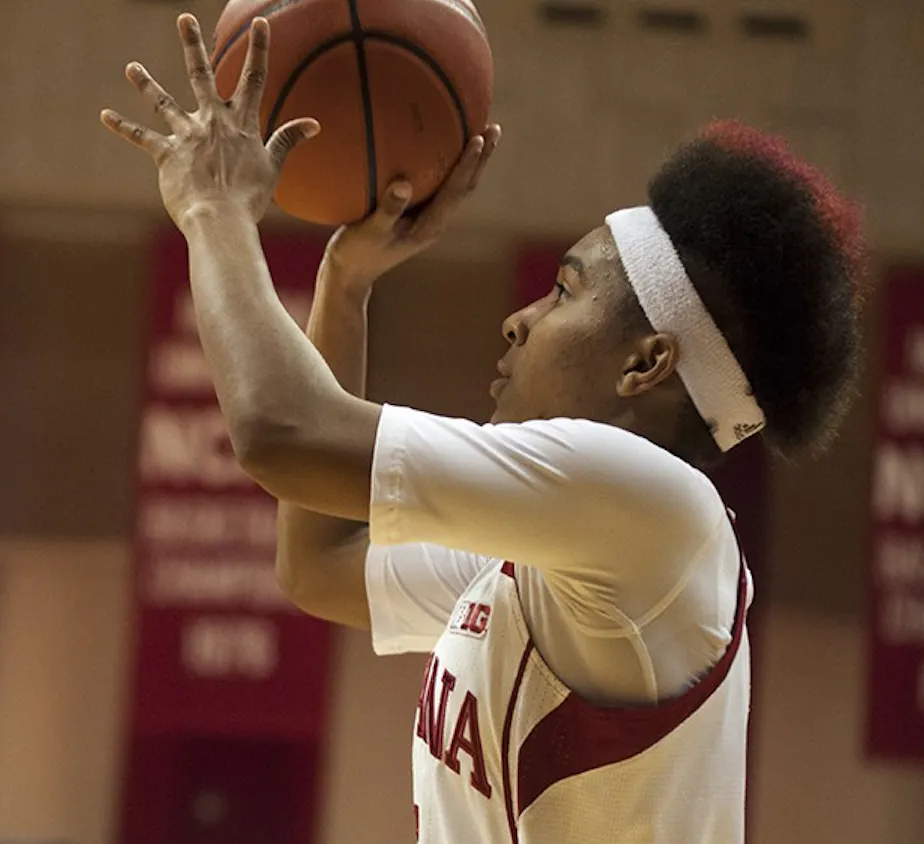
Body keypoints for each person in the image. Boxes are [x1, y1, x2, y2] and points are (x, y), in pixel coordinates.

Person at [101, 13, 865, 844]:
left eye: (565, 293)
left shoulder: (653, 509)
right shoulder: (568, 550)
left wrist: (215, 210)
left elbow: (279, 433)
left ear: (645, 364)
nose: (519, 320)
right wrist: (347, 284)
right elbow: (318, 564)